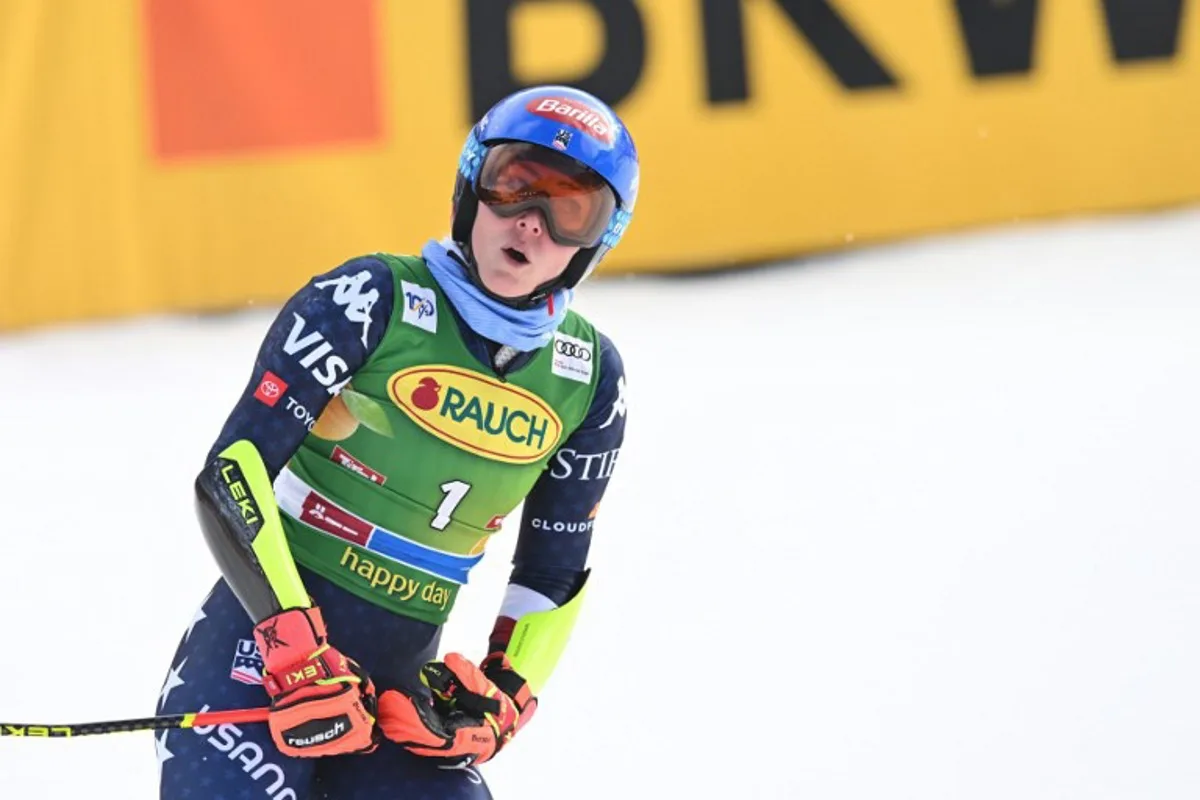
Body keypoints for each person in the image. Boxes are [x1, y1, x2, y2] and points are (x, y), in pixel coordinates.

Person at [156, 84, 637, 799]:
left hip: (398, 706)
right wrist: (292, 643)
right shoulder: (369, 298)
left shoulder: (590, 379)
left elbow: (552, 572)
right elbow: (233, 472)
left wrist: (506, 694)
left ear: (599, 238)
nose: (532, 223)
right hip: (253, 662)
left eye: (568, 209)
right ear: (472, 185)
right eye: (514, 185)